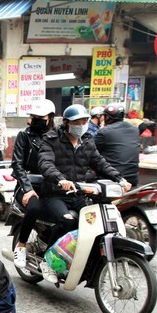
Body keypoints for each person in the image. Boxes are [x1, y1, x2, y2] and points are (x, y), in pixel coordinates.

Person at [37, 104, 131, 282]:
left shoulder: (87, 141)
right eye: (77, 121)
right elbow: (45, 163)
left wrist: (119, 179)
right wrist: (60, 179)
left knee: (93, 222)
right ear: (66, 123)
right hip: (54, 193)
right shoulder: (51, 139)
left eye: (84, 121)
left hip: (78, 194)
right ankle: (47, 260)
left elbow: (100, 163)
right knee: (67, 220)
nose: (81, 124)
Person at [11, 100, 55, 268]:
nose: (37, 119)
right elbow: (17, 164)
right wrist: (28, 188)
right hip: (28, 184)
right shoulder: (25, 135)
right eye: (34, 116)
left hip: (50, 185)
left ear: (50, 118)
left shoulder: (57, 136)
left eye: (40, 117)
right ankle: (21, 246)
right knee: (35, 207)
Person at [94, 103, 141, 186]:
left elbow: (91, 153)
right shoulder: (135, 130)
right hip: (133, 179)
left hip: (111, 179)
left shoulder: (104, 132)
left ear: (107, 117)